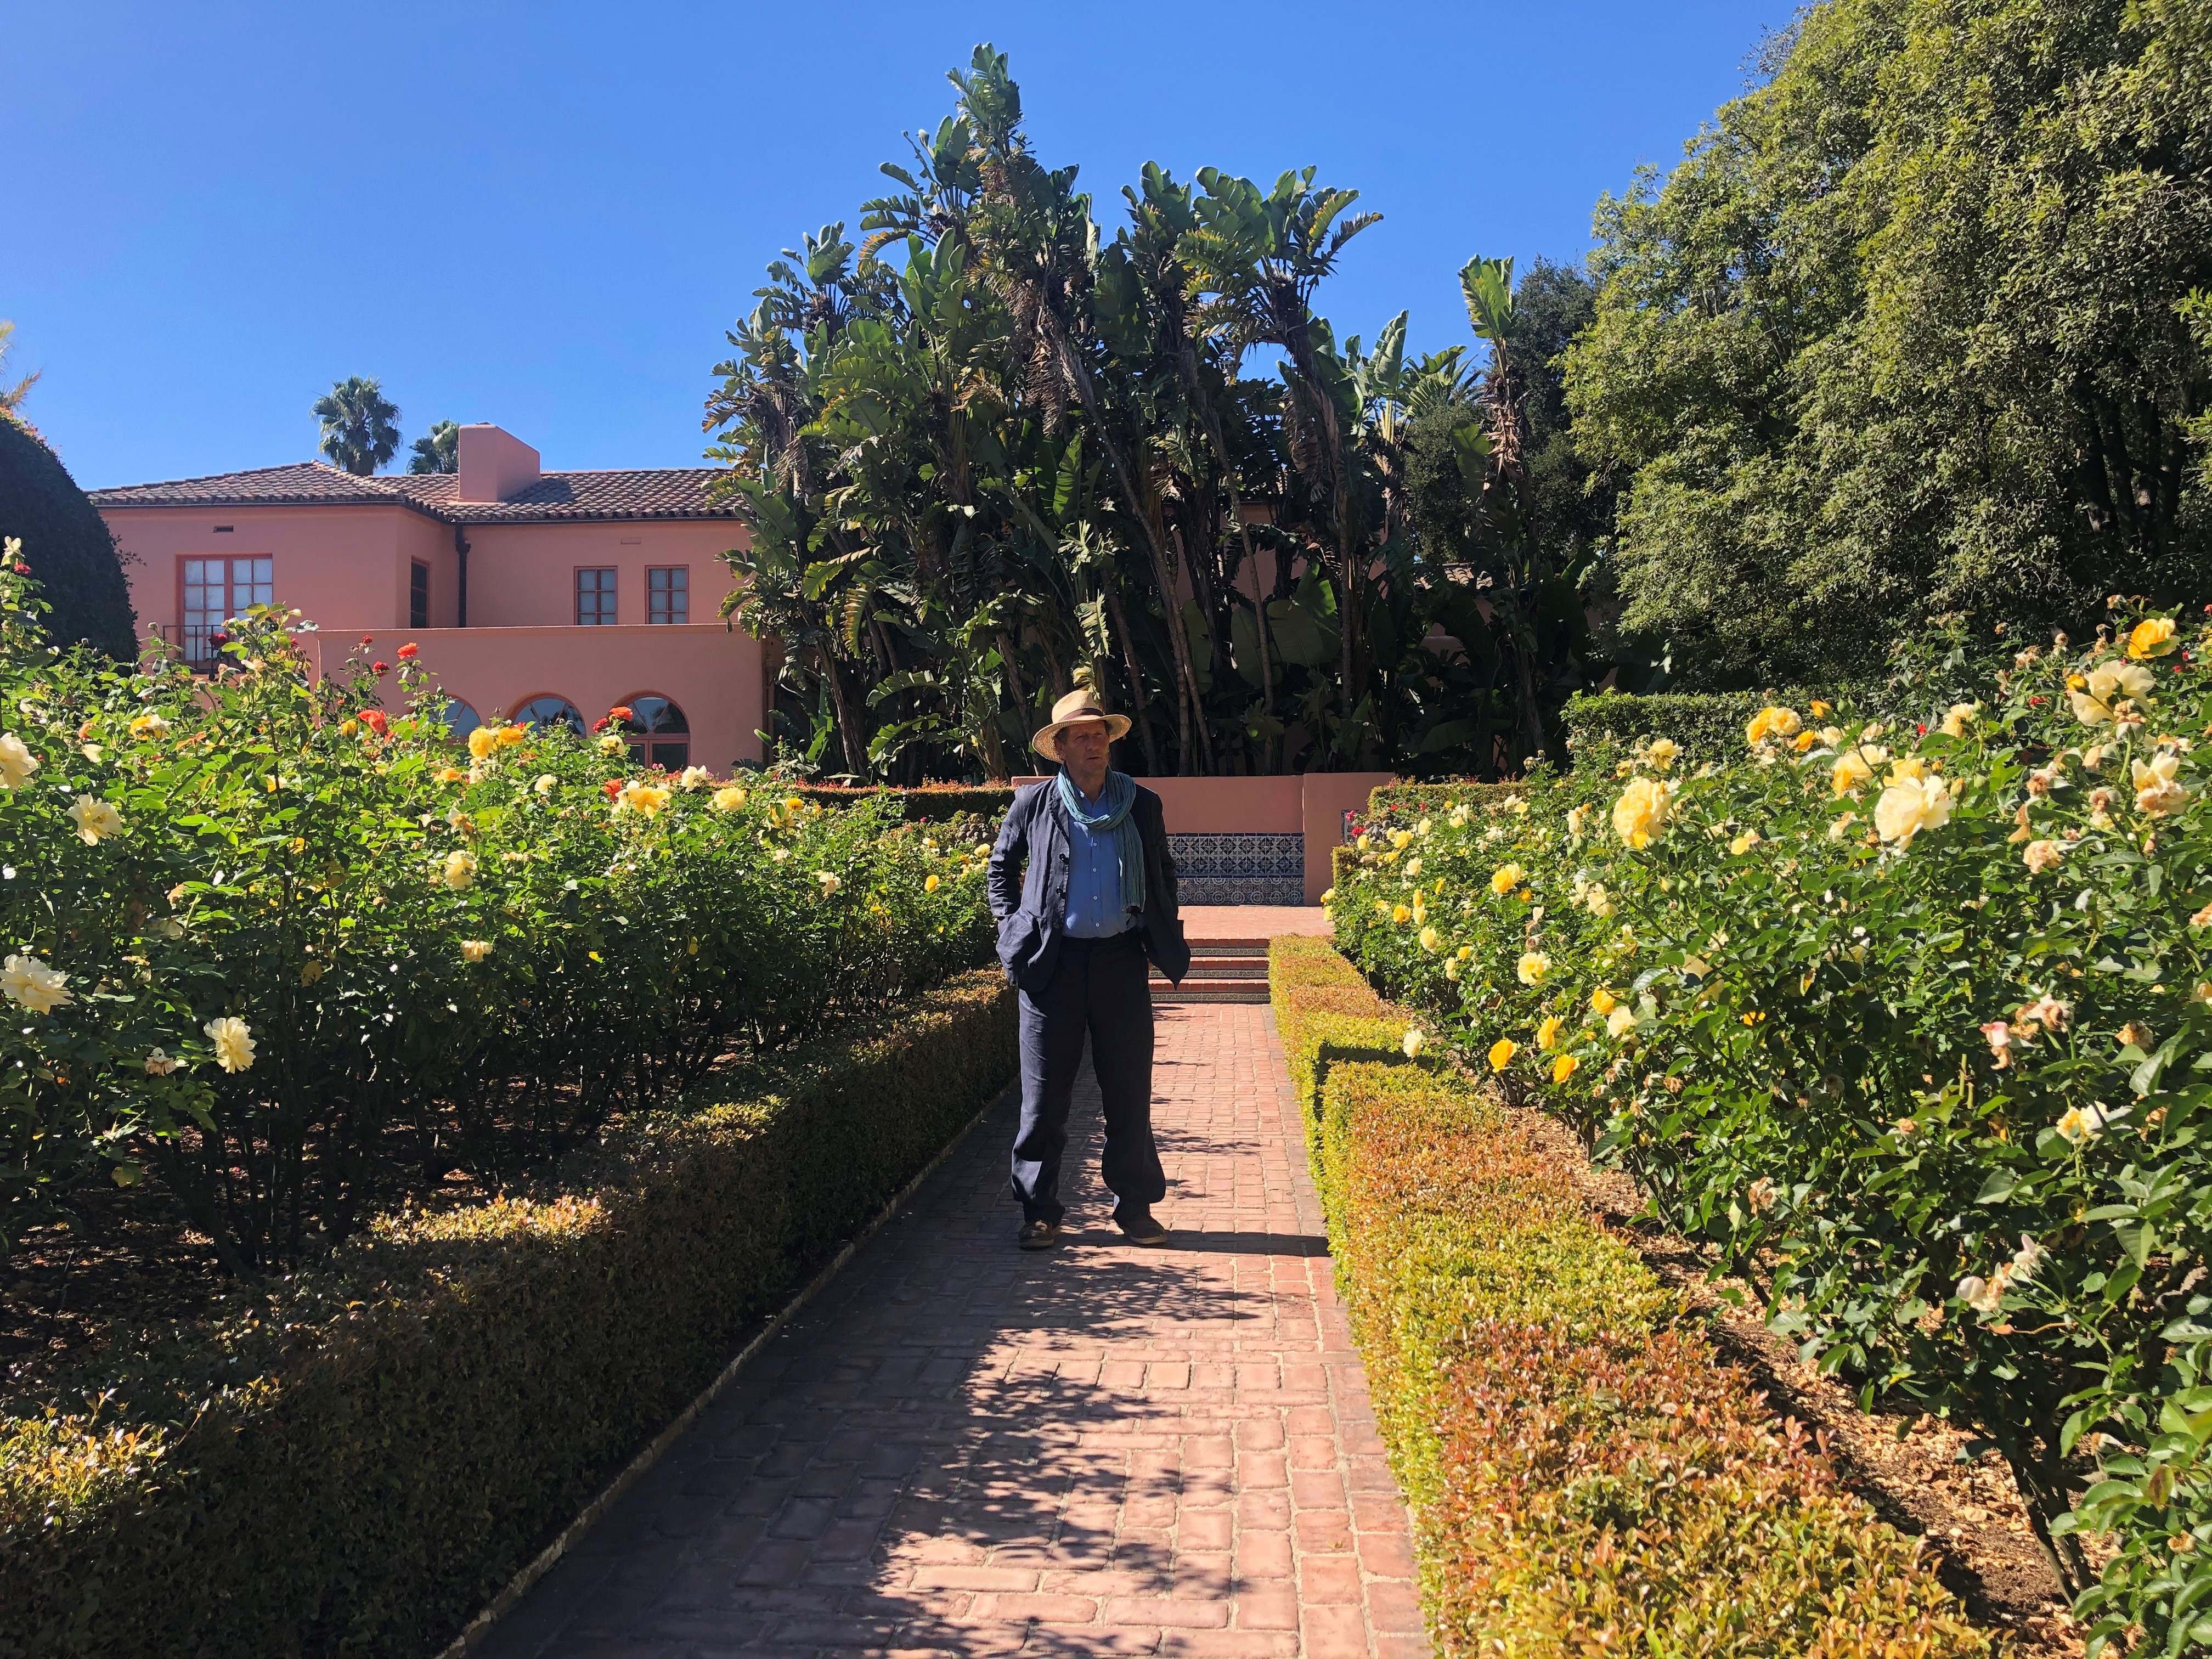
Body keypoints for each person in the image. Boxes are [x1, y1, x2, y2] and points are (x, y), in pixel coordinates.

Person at [987, 689, 1190, 1250]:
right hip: (1052, 965)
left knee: (1128, 1092)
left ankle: (1136, 1210)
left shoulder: (1141, 804)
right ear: (1059, 747)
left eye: (1100, 733)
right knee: (1045, 1098)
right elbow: (1000, 868)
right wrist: (1011, 929)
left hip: (1120, 963)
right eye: (1081, 735)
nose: (1094, 742)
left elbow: (1163, 872)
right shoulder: (1035, 805)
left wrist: (1161, 920)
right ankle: (1040, 1212)